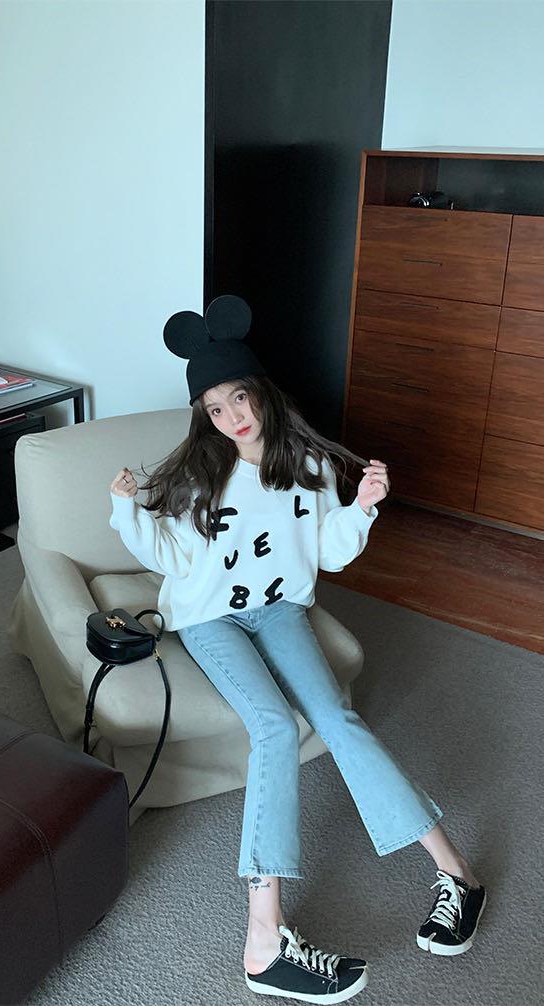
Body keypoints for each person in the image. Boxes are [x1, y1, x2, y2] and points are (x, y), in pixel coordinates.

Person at [107, 296, 486, 1003]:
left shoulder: (304, 464)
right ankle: (264, 941)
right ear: (203, 417)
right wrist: (127, 508)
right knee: (275, 728)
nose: (231, 416)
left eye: (238, 397)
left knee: (338, 718)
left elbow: (327, 553)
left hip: (280, 608)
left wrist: (361, 506)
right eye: (214, 408)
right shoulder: (198, 476)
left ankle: (456, 873)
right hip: (211, 620)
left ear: (261, 393)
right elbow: (170, 556)